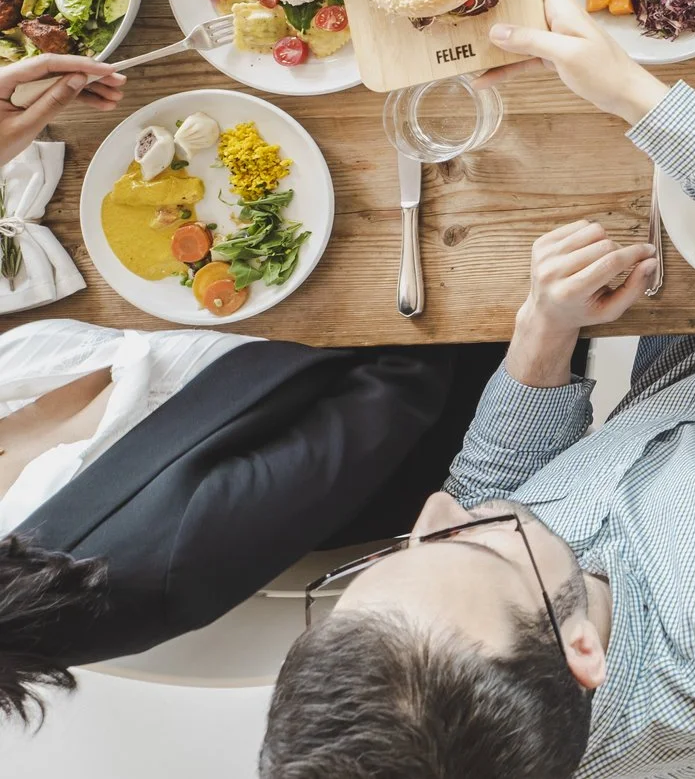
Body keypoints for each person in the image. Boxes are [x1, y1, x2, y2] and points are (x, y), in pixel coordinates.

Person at [257, 0, 695, 779]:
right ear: (583, 651)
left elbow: (491, 489)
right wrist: (627, 92)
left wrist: (542, 334)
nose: (442, 507)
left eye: (393, 554)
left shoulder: (491, 633)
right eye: (478, 549)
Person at [0, 50, 497, 724]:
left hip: (246, 283)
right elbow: (395, 397)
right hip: (410, 330)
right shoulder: (132, 571)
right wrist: (361, 243)